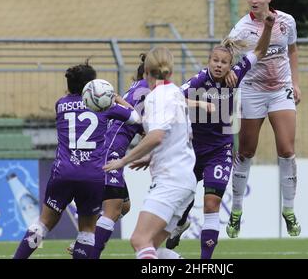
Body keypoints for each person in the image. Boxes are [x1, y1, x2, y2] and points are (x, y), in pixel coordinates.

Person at [163, 15, 275, 259]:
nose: (219, 65)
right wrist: (198, 104)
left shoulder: (237, 74)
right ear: (209, 61)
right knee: (182, 200)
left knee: (211, 204)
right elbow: (171, 98)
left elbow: (260, 50)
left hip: (220, 150)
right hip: (191, 151)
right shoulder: (198, 81)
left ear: (229, 64)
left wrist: (267, 27)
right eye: (215, 60)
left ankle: (206, 261)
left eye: (224, 62)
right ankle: (180, 224)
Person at [13, 61, 140, 259]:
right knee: (87, 230)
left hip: (63, 171)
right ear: (92, 85)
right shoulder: (106, 107)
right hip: (92, 175)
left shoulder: (61, 104)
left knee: (43, 223)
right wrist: (115, 99)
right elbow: (135, 117)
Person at [225, 0, 301, 238]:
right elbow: (225, 54)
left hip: (281, 89)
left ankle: (289, 210)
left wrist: (297, 83)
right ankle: (236, 211)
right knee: (246, 151)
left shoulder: (287, 21)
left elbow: (291, 51)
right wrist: (229, 72)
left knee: (287, 148)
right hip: (253, 91)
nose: (255, 1)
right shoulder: (241, 28)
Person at [103, 46, 197, 259]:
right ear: (170, 71)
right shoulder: (175, 93)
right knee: (150, 247)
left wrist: (123, 161)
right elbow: (181, 137)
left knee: (139, 240)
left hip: (170, 181)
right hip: (184, 180)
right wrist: (150, 156)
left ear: (145, 73)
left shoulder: (157, 97)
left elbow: (156, 136)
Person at [89, 54, 150, 259]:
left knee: (124, 206)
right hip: (112, 150)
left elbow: (137, 123)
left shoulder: (135, 88)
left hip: (111, 147)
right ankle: (88, 243)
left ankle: (90, 236)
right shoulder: (146, 89)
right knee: (114, 210)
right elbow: (137, 119)